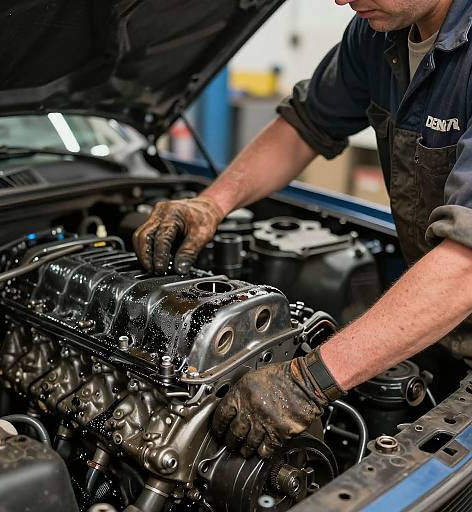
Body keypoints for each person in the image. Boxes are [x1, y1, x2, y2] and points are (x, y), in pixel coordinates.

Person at [133, 0, 472, 459]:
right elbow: (305, 125)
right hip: (439, 328)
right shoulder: (375, 36)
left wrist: (308, 381)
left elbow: (465, 266)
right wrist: (210, 204)